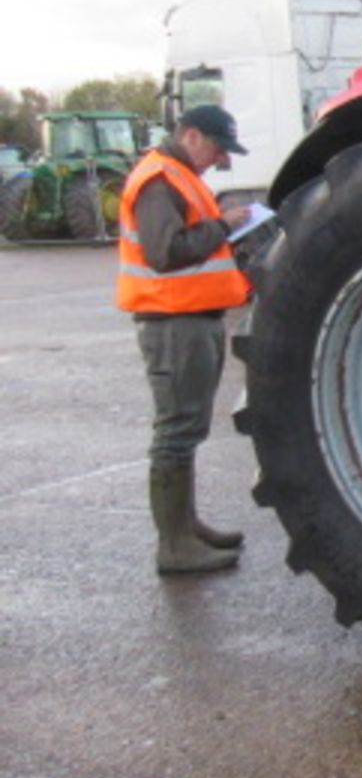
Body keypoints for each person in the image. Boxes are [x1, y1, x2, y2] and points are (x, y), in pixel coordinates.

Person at [117, 104, 255, 575]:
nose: (219, 160)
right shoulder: (159, 179)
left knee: (186, 427)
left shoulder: (177, 174)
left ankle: (186, 527)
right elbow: (166, 251)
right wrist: (223, 226)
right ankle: (174, 544)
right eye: (217, 148)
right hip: (173, 322)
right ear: (192, 135)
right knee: (176, 430)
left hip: (192, 319)